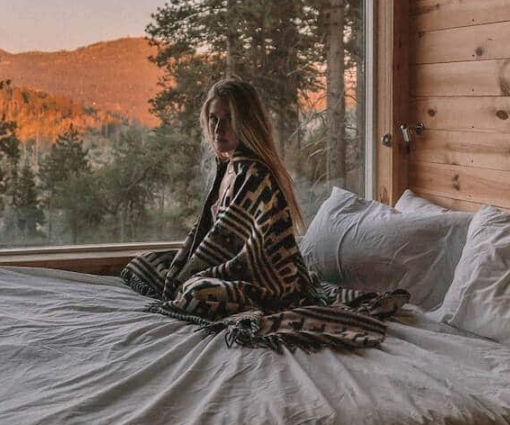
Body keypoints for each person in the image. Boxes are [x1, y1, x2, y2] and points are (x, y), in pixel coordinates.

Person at [121, 76, 407, 351]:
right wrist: (184, 268)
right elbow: (207, 232)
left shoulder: (255, 174)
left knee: (197, 291)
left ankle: (196, 283)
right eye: (214, 118)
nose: (219, 127)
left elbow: (247, 251)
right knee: (147, 265)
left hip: (268, 281)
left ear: (246, 123)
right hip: (229, 266)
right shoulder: (227, 167)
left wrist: (194, 273)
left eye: (229, 118)